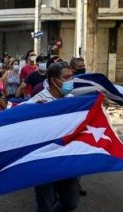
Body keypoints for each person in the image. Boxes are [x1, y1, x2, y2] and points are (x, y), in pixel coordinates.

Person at [26, 62, 79, 212]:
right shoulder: (37, 101)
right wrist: (34, 113)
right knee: (45, 206)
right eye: (66, 77)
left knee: (70, 203)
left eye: (71, 76)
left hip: (66, 159)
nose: (70, 81)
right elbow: (23, 128)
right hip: (44, 162)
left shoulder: (71, 99)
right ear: (54, 81)